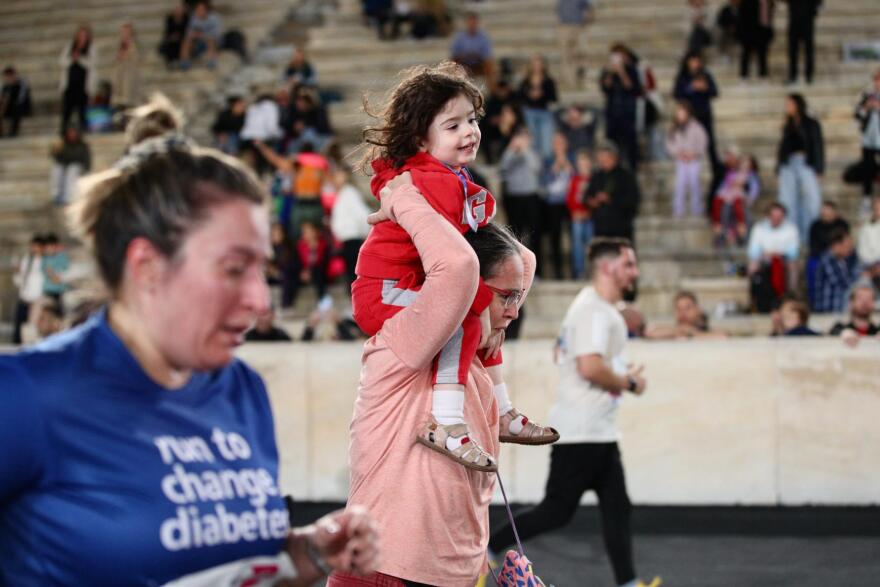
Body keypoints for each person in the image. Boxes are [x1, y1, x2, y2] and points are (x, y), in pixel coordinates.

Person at [0, 103, 379, 584]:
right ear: (148, 268)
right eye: (233, 269)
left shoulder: (243, 390)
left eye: (262, 269)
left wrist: (308, 553)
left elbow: (227, 561)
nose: (260, 298)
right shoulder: (25, 397)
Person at [353, 62, 557, 476]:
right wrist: (481, 308)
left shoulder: (450, 176)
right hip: (385, 290)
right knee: (465, 317)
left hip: (410, 282)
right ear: (421, 141)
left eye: (472, 120)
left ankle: (501, 409)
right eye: (452, 126)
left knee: (507, 283)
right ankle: (445, 420)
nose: (469, 132)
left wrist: (496, 314)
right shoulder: (433, 182)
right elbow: (457, 259)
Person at [333, 183, 537, 584]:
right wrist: (405, 198)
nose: (514, 312)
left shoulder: (473, 368)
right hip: (384, 573)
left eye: (518, 299)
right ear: (467, 293)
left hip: (453, 574)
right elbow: (459, 268)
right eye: (505, 298)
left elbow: (524, 260)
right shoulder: (407, 343)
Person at [489, 238, 661, 587]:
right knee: (556, 511)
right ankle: (489, 550)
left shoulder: (596, 309)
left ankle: (628, 582)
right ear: (607, 268)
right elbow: (589, 367)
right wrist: (630, 382)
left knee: (617, 508)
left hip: (598, 432)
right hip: (582, 432)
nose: (635, 272)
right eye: (629, 264)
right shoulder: (593, 311)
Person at [673, 51, 720, 201]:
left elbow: (715, 92)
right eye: (692, 61)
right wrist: (691, 87)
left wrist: (705, 88)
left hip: (704, 115)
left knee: (710, 145)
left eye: (697, 61)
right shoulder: (683, 77)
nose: (695, 64)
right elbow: (676, 93)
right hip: (688, 119)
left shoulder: (705, 74)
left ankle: (715, 170)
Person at [777, 93, 824, 243]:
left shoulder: (811, 123)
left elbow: (817, 145)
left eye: (790, 103)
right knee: (788, 200)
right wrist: (778, 167)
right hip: (789, 164)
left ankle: (810, 236)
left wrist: (819, 168)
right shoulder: (788, 125)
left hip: (806, 162)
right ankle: (792, 237)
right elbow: (782, 147)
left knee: (811, 200)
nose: (787, 107)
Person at [747, 202, 800, 311]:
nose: (776, 219)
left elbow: (793, 251)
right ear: (768, 216)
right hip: (764, 258)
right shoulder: (759, 228)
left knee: (793, 265)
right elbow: (753, 251)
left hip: (783, 259)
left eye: (779, 217)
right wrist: (766, 255)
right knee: (752, 266)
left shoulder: (791, 229)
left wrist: (779, 254)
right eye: (774, 216)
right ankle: (752, 300)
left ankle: (791, 297)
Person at [500, 125, 544, 256]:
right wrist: (512, 150)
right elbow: (504, 168)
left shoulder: (533, 153)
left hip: (531, 197)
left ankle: (538, 270)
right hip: (514, 197)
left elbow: (536, 168)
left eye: (525, 137)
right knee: (515, 232)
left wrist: (524, 150)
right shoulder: (509, 153)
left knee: (534, 232)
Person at [586, 143, 641, 243]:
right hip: (600, 229)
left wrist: (610, 199)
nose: (602, 161)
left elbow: (632, 200)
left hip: (621, 229)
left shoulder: (626, 176)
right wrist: (592, 201)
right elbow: (587, 196)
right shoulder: (597, 176)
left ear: (614, 157)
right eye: (600, 158)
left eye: (605, 157)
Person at [599, 44, 642, 170]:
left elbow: (632, 88)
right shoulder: (607, 71)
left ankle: (632, 170)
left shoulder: (631, 69)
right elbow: (605, 88)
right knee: (612, 145)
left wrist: (621, 72)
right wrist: (610, 73)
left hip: (628, 113)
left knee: (630, 146)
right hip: (612, 113)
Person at [330, 166, 371, 294]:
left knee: (353, 275)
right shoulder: (342, 194)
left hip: (353, 239)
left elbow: (362, 214)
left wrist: (366, 232)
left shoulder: (350, 193)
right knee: (350, 274)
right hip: (347, 240)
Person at [665, 100, 708, 218]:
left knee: (694, 184)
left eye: (682, 112)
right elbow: (669, 144)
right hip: (680, 160)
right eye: (678, 112)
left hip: (694, 160)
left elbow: (703, 142)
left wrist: (694, 153)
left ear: (688, 113)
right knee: (680, 185)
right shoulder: (673, 128)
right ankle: (678, 211)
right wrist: (678, 154)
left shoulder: (697, 127)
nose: (680, 115)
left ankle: (697, 210)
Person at [711, 149, 760, 247]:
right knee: (721, 210)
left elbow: (754, 188)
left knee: (738, 211)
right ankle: (720, 233)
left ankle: (741, 235)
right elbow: (724, 185)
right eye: (743, 163)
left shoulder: (751, 176)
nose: (744, 165)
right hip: (727, 198)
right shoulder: (731, 173)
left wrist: (749, 199)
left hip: (739, 199)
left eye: (747, 163)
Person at [542, 132, 573, 279]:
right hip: (553, 203)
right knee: (555, 237)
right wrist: (554, 168)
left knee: (574, 235)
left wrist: (566, 164)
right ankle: (558, 271)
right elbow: (544, 183)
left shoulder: (572, 158)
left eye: (561, 143)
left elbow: (578, 177)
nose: (558, 146)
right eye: (555, 143)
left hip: (570, 203)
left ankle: (575, 271)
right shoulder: (547, 161)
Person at [806, 200, 849, 306]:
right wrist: (829, 253)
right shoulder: (815, 225)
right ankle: (814, 302)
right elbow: (813, 246)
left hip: (840, 255)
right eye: (824, 213)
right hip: (820, 256)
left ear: (834, 213)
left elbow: (845, 245)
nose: (826, 215)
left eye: (829, 212)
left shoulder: (842, 224)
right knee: (812, 265)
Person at [518, 54, 558, 161]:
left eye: (539, 63)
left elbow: (554, 98)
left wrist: (542, 94)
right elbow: (519, 97)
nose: (536, 66)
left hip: (544, 112)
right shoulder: (525, 81)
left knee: (546, 145)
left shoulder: (549, 81)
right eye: (534, 64)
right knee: (533, 143)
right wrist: (529, 95)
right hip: (529, 113)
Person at [812, 227, 861, 314]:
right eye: (847, 246)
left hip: (840, 309)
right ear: (836, 245)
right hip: (827, 311)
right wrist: (861, 274)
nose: (849, 249)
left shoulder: (842, 261)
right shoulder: (826, 260)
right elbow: (843, 284)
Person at [644, 290, 728, 339]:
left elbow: (723, 336)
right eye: (678, 308)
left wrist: (691, 333)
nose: (682, 312)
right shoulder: (673, 332)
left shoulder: (707, 331)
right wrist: (681, 330)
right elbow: (650, 333)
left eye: (688, 308)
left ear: (697, 309)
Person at [59, 24, 97, 132]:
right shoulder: (70, 46)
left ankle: (84, 130)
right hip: (70, 83)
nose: (82, 37)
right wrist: (72, 59)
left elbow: (92, 64)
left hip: (83, 84)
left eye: (84, 35)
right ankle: (63, 130)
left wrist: (79, 58)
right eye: (80, 35)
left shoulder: (91, 48)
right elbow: (62, 61)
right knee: (67, 110)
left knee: (82, 109)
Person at [11, 235, 45, 345]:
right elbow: (20, 281)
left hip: (38, 300)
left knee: (34, 331)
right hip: (24, 298)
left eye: (36, 246)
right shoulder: (27, 260)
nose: (34, 249)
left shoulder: (46, 261)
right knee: (18, 331)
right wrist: (16, 272)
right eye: (32, 246)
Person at [567, 149, 594, 279]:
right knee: (577, 244)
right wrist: (575, 212)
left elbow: (594, 199)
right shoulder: (574, 180)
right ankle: (579, 272)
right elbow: (570, 199)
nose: (583, 165)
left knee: (591, 244)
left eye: (585, 162)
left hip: (590, 217)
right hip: (577, 217)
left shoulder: (593, 179)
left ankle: (591, 271)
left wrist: (589, 212)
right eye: (580, 163)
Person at [854, 69, 880, 204]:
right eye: (876, 80)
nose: (878, 83)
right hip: (869, 139)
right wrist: (866, 108)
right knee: (867, 167)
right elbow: (857, 115)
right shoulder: (867, 95)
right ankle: (866, 198)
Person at [50, 125, 92, 206]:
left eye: (73, 132)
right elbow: (58, 159)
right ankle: (56, 195)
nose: (71, 135)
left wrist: (86, 170)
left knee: (73, 169)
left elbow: (86, 160)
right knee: (57, 168)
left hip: (78, 169)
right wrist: (55, 150)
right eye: (70, 133)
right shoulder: (62, 144)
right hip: (65, 168)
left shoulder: (83, 145)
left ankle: (68, 197)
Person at [828, 282, 878, 347]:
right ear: (851, 303)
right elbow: (832, 332)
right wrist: (843, 333)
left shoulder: (877, 330)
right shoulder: (839, 327)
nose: (865, 302)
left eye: (869, 298)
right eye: (860, 298)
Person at [450, 12, 494, 85]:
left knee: (489, 64)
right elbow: (454, 54)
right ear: (466, 23)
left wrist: (475, 56)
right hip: (464, 64)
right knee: (452, 64)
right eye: (470, 23)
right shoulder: (459, 38)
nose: (472, 25)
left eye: (474, 23)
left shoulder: (484, 37)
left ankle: (492, 89)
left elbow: (487, 55)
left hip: (479, 64)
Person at [784, 0, 821, 85]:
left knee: (809, 50)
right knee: (793, 50)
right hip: (794, 20)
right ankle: (793, 76)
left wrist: (815, 10)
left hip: (807, 20)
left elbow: (818, 3)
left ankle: (809, 76)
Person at [557, 0, 593, 86]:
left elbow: (588, 9)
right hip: (564, 26)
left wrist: (587, 20)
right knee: (566, 54)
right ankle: (569, 79)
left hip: (578, 26)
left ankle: (578, 77)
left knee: (578, 53)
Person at [180, 0, 222, 70]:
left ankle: (212, 61)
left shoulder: (214, 18)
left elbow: (217, 33)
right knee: (186, 41)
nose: (199, 11)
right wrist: (193, 35)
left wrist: (203, 35)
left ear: (206, 10)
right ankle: (184, 61)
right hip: (199, 41)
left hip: (215, 41)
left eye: (201, 9)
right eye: (198, 9)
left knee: (210, 40)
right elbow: (189, 32)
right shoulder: (194, 18)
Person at [737, 0, 774, 80]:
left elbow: (768, 18)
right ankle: (744, 75)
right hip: (749, 33)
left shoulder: (768, 2)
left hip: (763, 33)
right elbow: (742, 17)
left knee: (763, 55)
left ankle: (763, 75)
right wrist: (741, 34)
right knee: (746, 54)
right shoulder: (747, 2)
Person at [112, 23, 142, 112]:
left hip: (130, 80)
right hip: (119, 78)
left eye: (127, 32)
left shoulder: (134, 45)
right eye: (123, 32)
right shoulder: (118, 45)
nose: (124, 34)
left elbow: (136, 58)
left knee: (129, 105)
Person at [0, 66, 32, 138]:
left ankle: (13, 131)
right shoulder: (6, 86)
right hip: (9, 108)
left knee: (16, 108)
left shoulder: (22, 84)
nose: (8, 78)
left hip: (21, 108)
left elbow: (21, 99)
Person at [858, 195, 880, 291]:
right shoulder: (866, 228)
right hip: (870, 268)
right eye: (877, 207)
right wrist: (875, 266)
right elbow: (862, 251)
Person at [158, 1, 190, 68]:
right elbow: (167, 31)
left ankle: (182, 61)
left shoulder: (187, 18)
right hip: (172, 38)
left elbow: (187, 30)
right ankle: (171, 62)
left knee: (183, 42)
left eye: (180, 10)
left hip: (183, 38)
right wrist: (172, 36)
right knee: (169, 43)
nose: (178, 11)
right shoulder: (170, 19)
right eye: (177, 9)